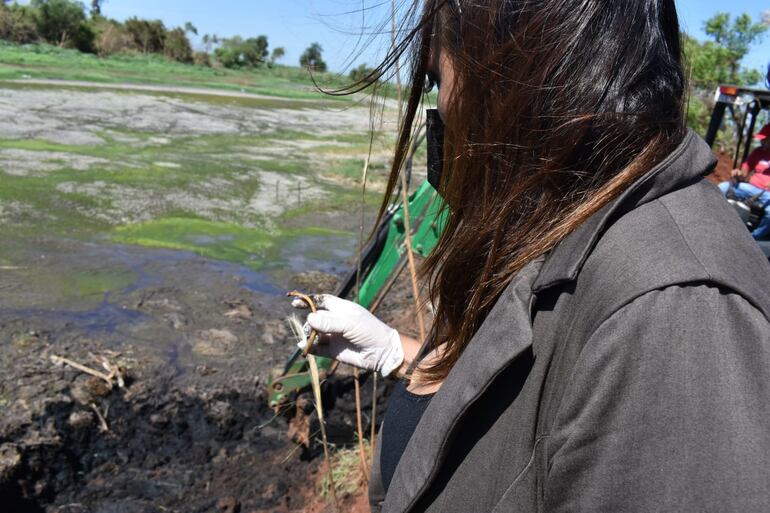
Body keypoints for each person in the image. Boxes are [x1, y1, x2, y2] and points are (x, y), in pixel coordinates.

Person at [293, 1, 770, 511]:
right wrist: (396, 354)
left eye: (437, 80)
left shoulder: (676, 315)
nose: (442, 111)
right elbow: (528, 416)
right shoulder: (557, 218)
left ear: (512, 65)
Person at [717, 124, 770, 239]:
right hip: (750, 189)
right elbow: (745, 172)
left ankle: (754, 238)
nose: (762, 142)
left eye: (765, 139)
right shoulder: (758, 152)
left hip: (768, 195)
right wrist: (739, 173)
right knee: (722, 187)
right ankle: (716, 220)